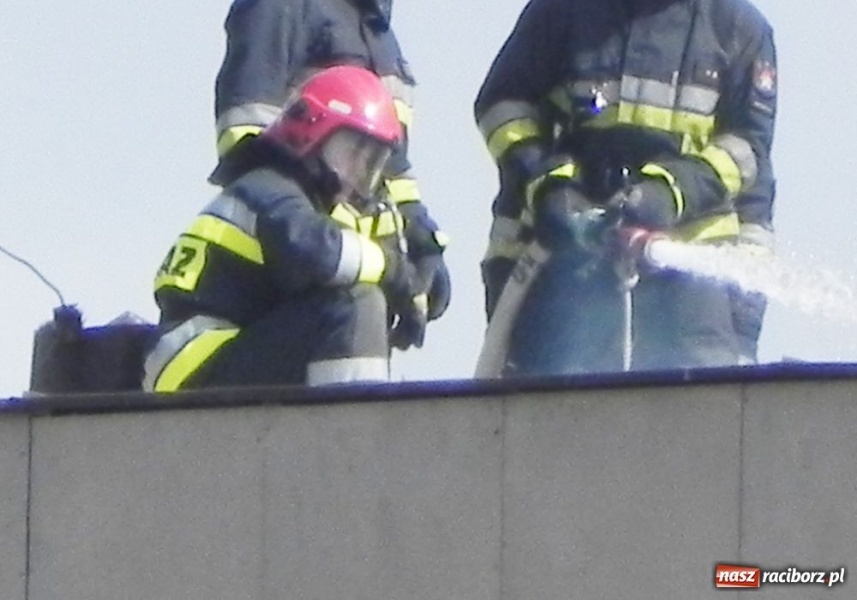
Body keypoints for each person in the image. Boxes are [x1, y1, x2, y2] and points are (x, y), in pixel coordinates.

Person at [474, 0, 777, 375]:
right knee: (555, 406)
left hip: (690, 286)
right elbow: (503, 107)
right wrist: (550, 184)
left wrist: (671, 192)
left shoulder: (738, 28)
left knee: (697, 408)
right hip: (571, 269)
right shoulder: (559, 12)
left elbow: (746, 149)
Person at [143, 66, 427, 391]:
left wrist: (416, 281)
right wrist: (395, 274)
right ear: (312, 130)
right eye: (353, 150)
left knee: (354, 303)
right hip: (195, 365)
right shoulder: (267, 187)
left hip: (216, 358)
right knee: (355, 304)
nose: (358, 171)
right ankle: (353, 422)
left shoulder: (300, 199)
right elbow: (319, 253)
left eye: (371, 161)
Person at [212, 0, 450, 327]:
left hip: (356, 266)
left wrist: (416, 237)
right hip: (296, 256)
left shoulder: (379, 31)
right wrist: (318, 239)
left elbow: (385, 166)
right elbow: (248, 140)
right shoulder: (281, 6)